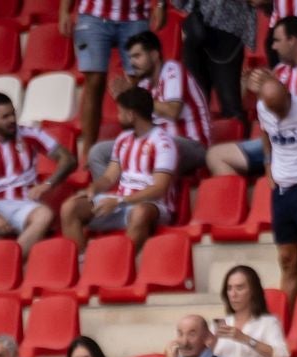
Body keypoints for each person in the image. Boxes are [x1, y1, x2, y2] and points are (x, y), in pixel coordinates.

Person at [208, 19, 297, 300]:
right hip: (282, 190)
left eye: (278, 106)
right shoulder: (266, 105)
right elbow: (266, 131)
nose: (275, 111)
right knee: (287, 261)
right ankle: (288, 327)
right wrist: (267, 162)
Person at [205, 14, 297, 182]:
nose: (273, 46)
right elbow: (267, 114)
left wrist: (272, 89)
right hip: (278, 140)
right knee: (215, 156)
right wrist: (258, 89)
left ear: (292, 40)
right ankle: (249, 204)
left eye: (277, 40)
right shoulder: (281, 69)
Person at [61, 87, 178, 254]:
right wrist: (94, 189)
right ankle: (81, 266)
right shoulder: (123, 139)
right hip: (121, 202)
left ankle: (120, 267)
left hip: (152, 205)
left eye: (120, 112)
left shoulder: (163, 142)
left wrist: (120, 201)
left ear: (131, 115)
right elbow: (109, 177)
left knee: (139, 213)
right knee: (70, 207)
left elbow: (159, 188)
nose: (118, 117)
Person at [0, 93, 76, 251]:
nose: (12, 120)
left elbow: (68, 159)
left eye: (13, 113)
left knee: (44, 215)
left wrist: (48, 184)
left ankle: (11, 262)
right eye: (5, 117)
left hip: (24, 204)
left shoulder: (31, 134)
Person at [94, 31, 211, 180]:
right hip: (156, 145)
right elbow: (136, 126)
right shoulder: (143, 85)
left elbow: (172, 111)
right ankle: (116, 197)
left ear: (155, 55)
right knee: (98, 153)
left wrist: (133, 93)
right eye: (130, 58)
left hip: (191, 145)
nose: (132, 63)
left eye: (137, 56)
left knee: (153, 149)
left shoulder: (172, 69)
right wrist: (124, 102)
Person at [60, 0, 159, 165]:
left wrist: (161, 4)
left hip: (136, 15)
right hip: (93, 15)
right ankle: (88, 154)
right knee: (94, 81)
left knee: (138, 84)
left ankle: (140, 148)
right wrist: (64, 11)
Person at [171, 0, 253, 124]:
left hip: (228, 31)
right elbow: (178, 3)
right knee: (196, 102)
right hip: (197, 29)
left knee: (230, 105)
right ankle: (200, 140)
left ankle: (236, 141)